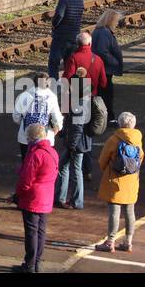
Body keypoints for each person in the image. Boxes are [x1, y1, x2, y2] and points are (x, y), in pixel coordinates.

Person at [95, 111, 144, 252]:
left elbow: (102, 160)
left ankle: (110, 241)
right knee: (130, 211)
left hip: (114, 179)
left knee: (114, 212)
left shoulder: (114, 139)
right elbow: (141, 157)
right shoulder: (138, 139)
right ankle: (128, 241)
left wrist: (108, 171)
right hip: (132, 181)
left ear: (120, 123)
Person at [13, 123, 57, 273]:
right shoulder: (52, 152)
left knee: (31, 232)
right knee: (40, 231)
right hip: (47, 197)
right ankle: (37, 262)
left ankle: (29, 264)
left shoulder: (35, 154)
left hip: (33, 198)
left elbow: (26, 180)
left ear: (31, 137)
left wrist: (17, 195)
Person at [56, 67, 93, 210]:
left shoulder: (79, 104)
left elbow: (77, 127)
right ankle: (67, 198)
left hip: (76, 143)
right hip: (81, 142)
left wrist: (71, 145)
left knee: (71, 169)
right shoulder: (86, 99)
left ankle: (71, 199)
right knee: (67, 168)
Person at [12, 71, 63, 157]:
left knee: (27, 164)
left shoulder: (24, 95)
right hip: (46, 138)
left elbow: (16, 116)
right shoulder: (52, 97)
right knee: (44, 165)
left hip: (26, 137)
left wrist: (24, 123)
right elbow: (56, 118)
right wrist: (56, 128)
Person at [92, 10, 124, 123]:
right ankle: (108, 118)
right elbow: (102, 51)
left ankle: (104, 117)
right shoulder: (105, 33)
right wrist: (115, 61)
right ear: (111, 21)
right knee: (106, 94)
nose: (117, 24)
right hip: (105, 69)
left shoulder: (99, 31)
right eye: (116, 21)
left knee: (102, 93)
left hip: (101, 68)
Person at [49, 0, 84, 78]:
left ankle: (54, 86)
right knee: (69, 64)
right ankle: (68, 86)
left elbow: (59, 15)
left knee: (53, 62)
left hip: (61, 37)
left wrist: (54, 24)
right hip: (74, 37)